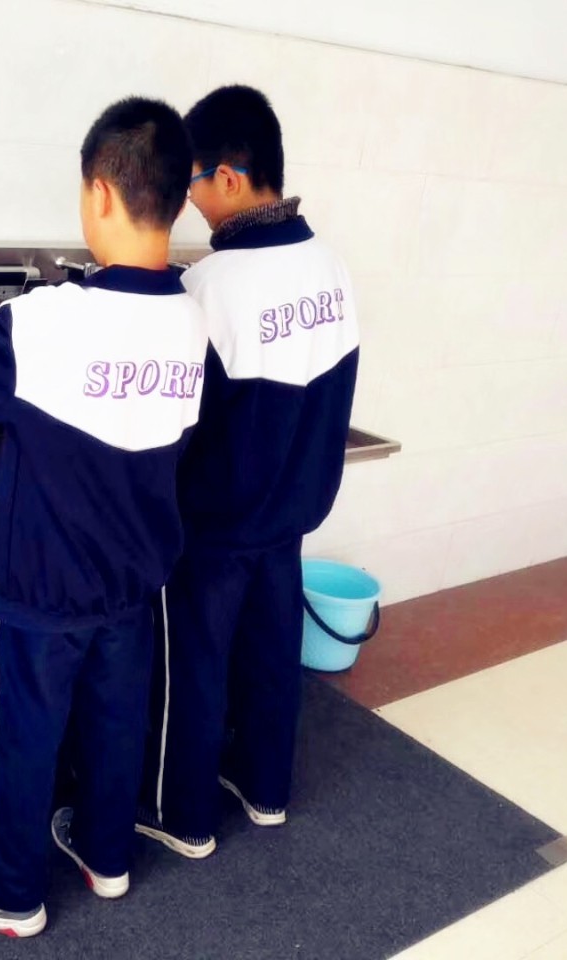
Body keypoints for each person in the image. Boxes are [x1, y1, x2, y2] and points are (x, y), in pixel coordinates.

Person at [0, 96, 207, 937]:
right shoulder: (192, 320)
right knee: (117, 724)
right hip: (133, 582)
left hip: (44, 588)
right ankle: (107, 858)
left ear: (100, 194)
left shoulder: (54, 320)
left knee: (23, 734)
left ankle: (5, 893)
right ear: (175, 201)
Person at [135, 85, 360, 858]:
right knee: (270, 653)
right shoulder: (331, 267)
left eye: (191, 183)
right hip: (292, 511)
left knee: (193, 667)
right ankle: (266, 791)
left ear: (227, 178)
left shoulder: (212, 286)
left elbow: (175, 418)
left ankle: (181, 817)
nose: (187, 203)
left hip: (215, 525)